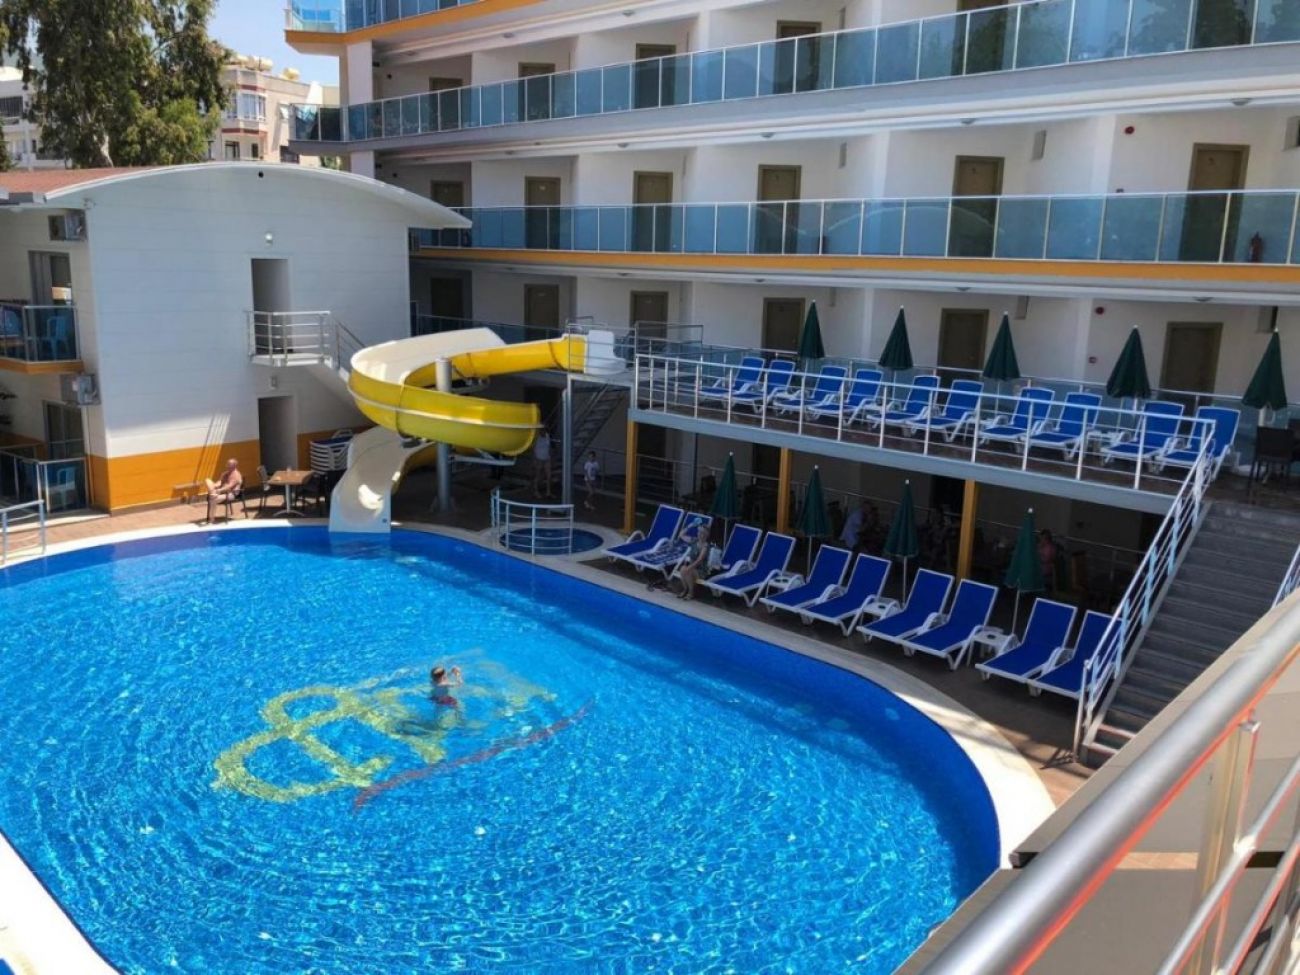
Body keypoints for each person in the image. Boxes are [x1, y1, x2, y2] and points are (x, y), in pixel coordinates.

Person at [675, 524, 712, 601]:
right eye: (699, 532)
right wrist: (690, 526)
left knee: (688, 571)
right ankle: (685, 589)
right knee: (682, 568)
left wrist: (689, 568)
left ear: (706, 535)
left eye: (703, 533)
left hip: (701, 570)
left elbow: (700, 559)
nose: (700, 534)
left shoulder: (705, 546)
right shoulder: (694, 540)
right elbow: (681, 535)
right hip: (692, 568)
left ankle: (691, 593)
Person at [202, 458, 243, 525]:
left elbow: (229, 486)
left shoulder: (236, 475)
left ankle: (211, 520)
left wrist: (219, 490)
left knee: (212, 499)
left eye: (229, 464)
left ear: (234, 466)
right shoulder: (225, 473)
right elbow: (220, 482)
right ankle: (213, 494)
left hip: (231, 494)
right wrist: (214, 486)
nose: (227, 466)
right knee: (207, 480)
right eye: (227, 464)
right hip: (221, 492)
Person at [532, 428, 553, 499]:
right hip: (539, 458)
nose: (543, 432)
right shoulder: (536, 437)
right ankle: (536, 492)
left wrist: (550, 456)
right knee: (538, 475)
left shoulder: (547, 436)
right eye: (542, 431)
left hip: (547, 458)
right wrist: (534, 459)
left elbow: (549, 446)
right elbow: (533, 448)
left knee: (549, 475)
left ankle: (548, 492)